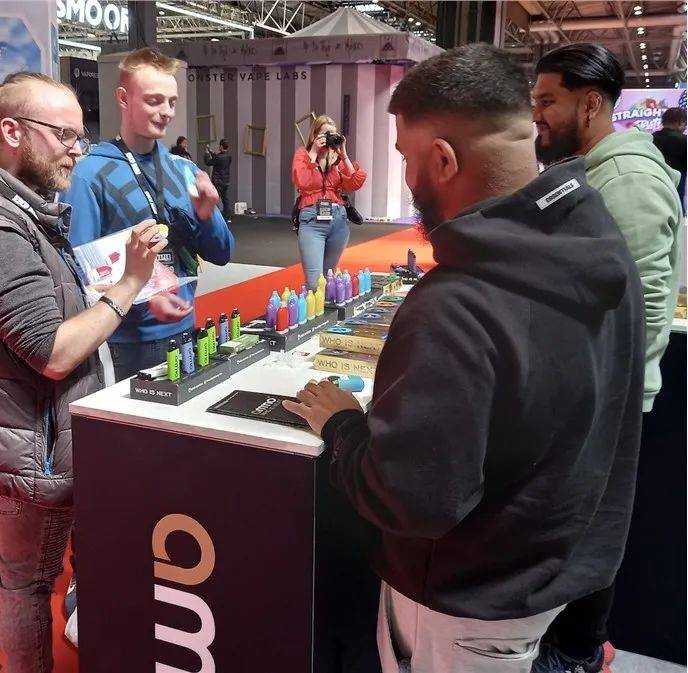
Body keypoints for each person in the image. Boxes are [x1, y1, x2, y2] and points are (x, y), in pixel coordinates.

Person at [285, 43, 645, 673]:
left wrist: (342, 426)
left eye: (407, 158)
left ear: (444, 159)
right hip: (554, 570)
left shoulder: (455, 304)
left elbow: (413, 499)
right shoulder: (602, 245)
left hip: (465, 603)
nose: (406, 177)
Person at [0, 71, 166, 673]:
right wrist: (131, 283)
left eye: (81, 137)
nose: (76, 151)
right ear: (12, 132)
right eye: (64, 135)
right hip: (29, 442)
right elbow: (53, 353)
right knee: (27, 582)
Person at [532, 43, 683, 673]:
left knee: (590, 533)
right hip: (585, 388)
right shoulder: (592, 171)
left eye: (548, 101)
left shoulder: (628, 181)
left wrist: (605, 397)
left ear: (590, 103)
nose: (537, 115)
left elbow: (642, 306)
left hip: (606, 397)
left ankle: (577, 652)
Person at [63, 48, 234, 380]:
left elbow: (223, 253)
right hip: (125, 342)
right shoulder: (89, 175)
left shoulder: (184, 170)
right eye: (154, 101)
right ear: (123, 98)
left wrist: (207, 216)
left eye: (171, 101)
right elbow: (79, 267)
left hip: (186, 328)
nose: (166, 111)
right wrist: (143, 295)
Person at [291, 115, 367, 290]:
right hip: (313, 222)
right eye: (326, 134)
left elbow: (355, 183)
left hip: (339, 222)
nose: (330, 138)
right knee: (314, 283)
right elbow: (302, 180)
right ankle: (315, 306)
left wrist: (344, 155)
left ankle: (326, 306)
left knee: (328, 279)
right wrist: (314, 151)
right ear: (315, 135)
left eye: (333, 134)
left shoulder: (336, 159)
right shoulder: (303, 154)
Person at [652, 107, 687, 211]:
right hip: (677, 186)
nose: (685, 126)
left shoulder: (651, 138)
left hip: (655, 182)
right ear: (680, 122)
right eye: (685, 122)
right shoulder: (684, 140)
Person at [204, 139, 233, 222]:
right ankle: (228, 218)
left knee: (214, 199)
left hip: (217, 181)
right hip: (225, 181)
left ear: (221, 146)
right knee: (225, 200)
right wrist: (211, 151)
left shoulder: (218, 157)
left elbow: (208, 162)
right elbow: (217, 158)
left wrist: (207, 153)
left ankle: (213, 218)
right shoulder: (229, 156)